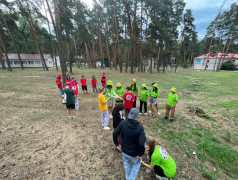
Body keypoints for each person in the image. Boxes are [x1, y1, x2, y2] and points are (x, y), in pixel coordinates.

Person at [113, 108, 146, 180]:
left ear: (130, 114)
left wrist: (117, 144)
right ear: (137, 116)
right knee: (136, 165)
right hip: (135, 154)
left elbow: (115, 133)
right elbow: (141, 143)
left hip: (124, 151)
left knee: (127, 164)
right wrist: (140, 154)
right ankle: (130, 178)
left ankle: (128, 177)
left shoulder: (123, 123)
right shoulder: (140, 128)